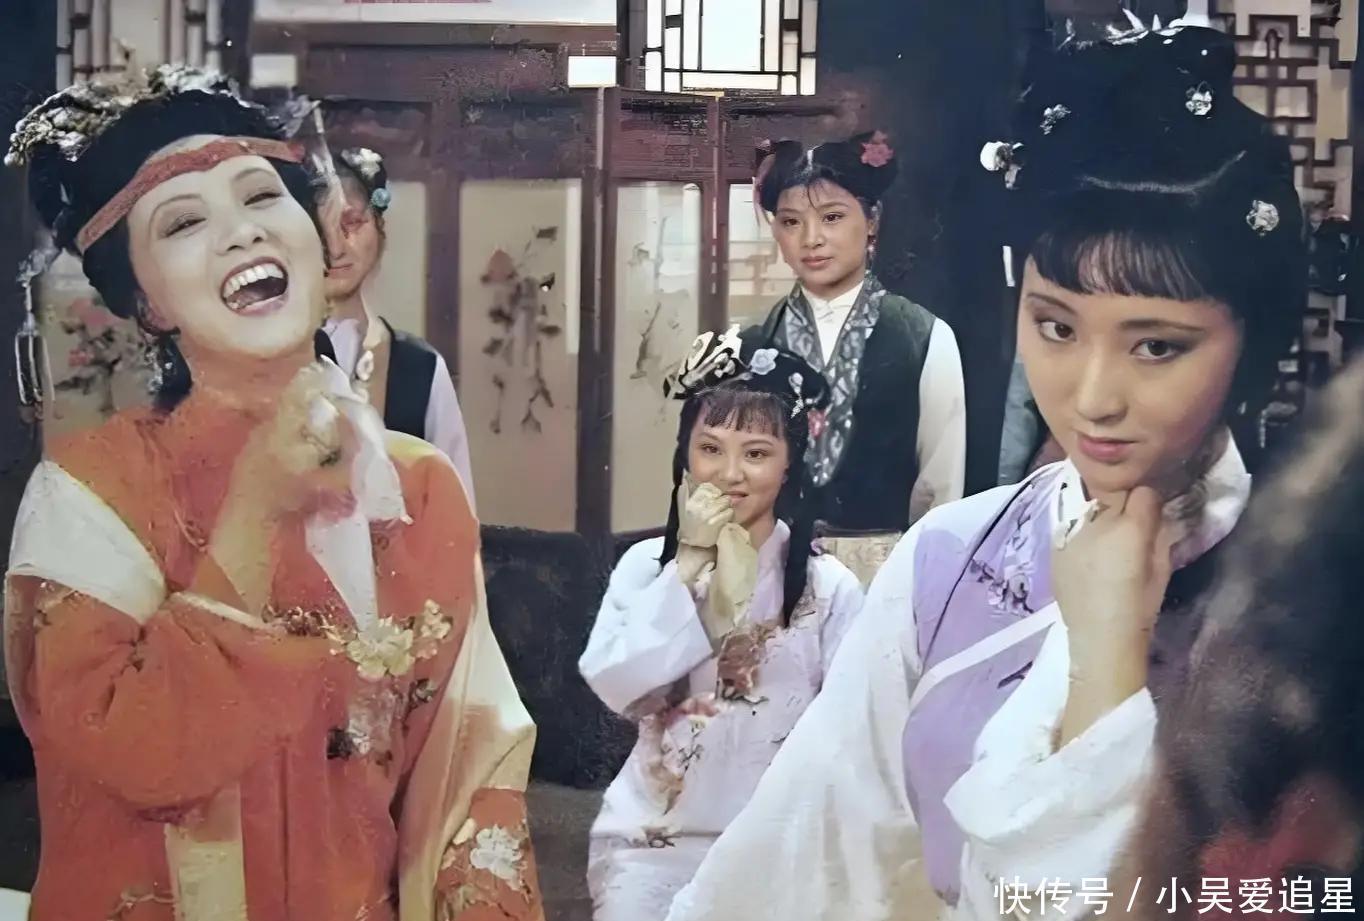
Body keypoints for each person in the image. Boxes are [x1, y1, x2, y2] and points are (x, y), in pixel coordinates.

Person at [665, 22, 1306, 921]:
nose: (1092, 397)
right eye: (1055, 325)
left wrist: (1108, 660)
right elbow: (810, 846)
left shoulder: (1312, 610)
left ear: (1253, 346)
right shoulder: (952, 553)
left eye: (1157, 345)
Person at [3, 67, 541, 921]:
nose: (241, 231)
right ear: (145, 300)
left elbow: (470, 774)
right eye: (184, 222)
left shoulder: (418, 487)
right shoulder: (89, 492)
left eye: (261, 196)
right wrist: (256, 511)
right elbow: (132, 756)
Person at [579, 325, 865, 920]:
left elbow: (851, 739)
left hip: (780, 848)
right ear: (685, 455)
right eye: (710, 448)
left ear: (790, 463)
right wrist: (687, 566)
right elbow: (617, 688)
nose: (729, 474)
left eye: (756, 454)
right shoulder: (647, 565)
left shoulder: (828, 587)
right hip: (653, 842)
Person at [754, 131, 966, 586]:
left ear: (872, 220)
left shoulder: (923, 338)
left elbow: (939, 491)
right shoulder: (756, 345)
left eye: (832, 217)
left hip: (882, 569)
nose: (811, 239)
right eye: (791, 222)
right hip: (770, 566)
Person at [320, 145, 476, 507]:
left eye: (351, 223)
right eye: (317, 228)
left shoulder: (419, 367)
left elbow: (456, 510)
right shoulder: (260, 357)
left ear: (379, 227)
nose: (335, 248)